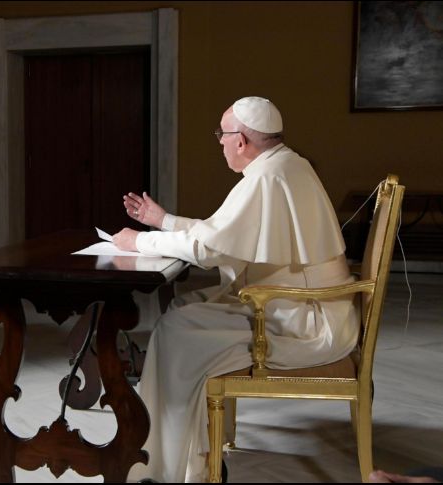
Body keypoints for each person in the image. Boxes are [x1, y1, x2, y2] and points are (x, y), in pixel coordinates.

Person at [115, 97, 360, 482]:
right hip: (302, 308)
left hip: (302, 323)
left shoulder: (266, 178)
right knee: (182, 308)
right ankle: (192, 449)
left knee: (174, 329)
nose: (220, 142)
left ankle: (167, 466)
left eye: (222, 134)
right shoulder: (286, 164)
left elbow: (208, 249)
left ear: (241, 141)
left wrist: (139, 242)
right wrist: (164, 221)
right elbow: (221, 234)